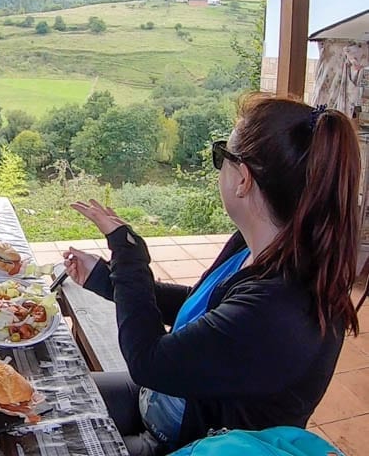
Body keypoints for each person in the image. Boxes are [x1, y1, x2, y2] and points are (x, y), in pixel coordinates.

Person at [63, 95, 361, 456]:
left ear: (243, 180)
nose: (219, 167)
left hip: (191, 441)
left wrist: (127, 253)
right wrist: (104, 279)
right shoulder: (261, 247)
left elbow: (147, 361)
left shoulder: (279, 307)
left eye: (223, 155)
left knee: (57, 442)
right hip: (168, 404)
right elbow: (205, 310)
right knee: (56, 397)